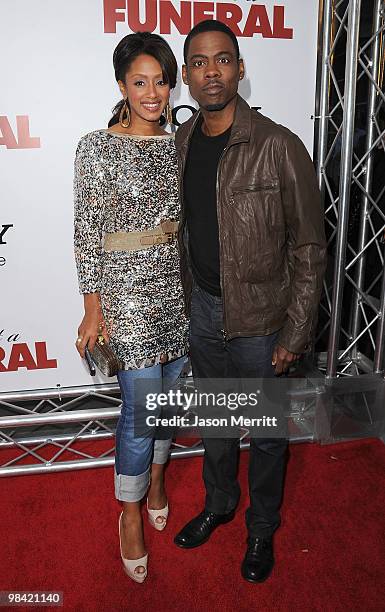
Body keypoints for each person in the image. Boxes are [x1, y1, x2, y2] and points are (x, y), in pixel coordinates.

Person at [173, 20, 327, 583]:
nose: (211, 71)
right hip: (205, 311)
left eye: (222, 60)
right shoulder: (182, 144)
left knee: (264, 432)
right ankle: (219, 504)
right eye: (199, 61)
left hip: (263, 322)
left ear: (240, 69)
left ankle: (261, 526)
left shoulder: (279, 145)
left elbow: (310, 246)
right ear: (187, 74)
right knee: (215, 421)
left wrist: (295, 333)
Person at [73, 32, 189, 583]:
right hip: (127, 294)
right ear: (122, 84)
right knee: (141, 411)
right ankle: (129, 511)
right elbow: (88, 231)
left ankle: (160, 479)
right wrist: (93, 308)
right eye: (140, 81)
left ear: (171, 86)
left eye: (161, 81)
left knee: (168, 404)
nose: (152, 92)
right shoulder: (95, 146)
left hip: (178, 290)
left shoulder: (179, 144)